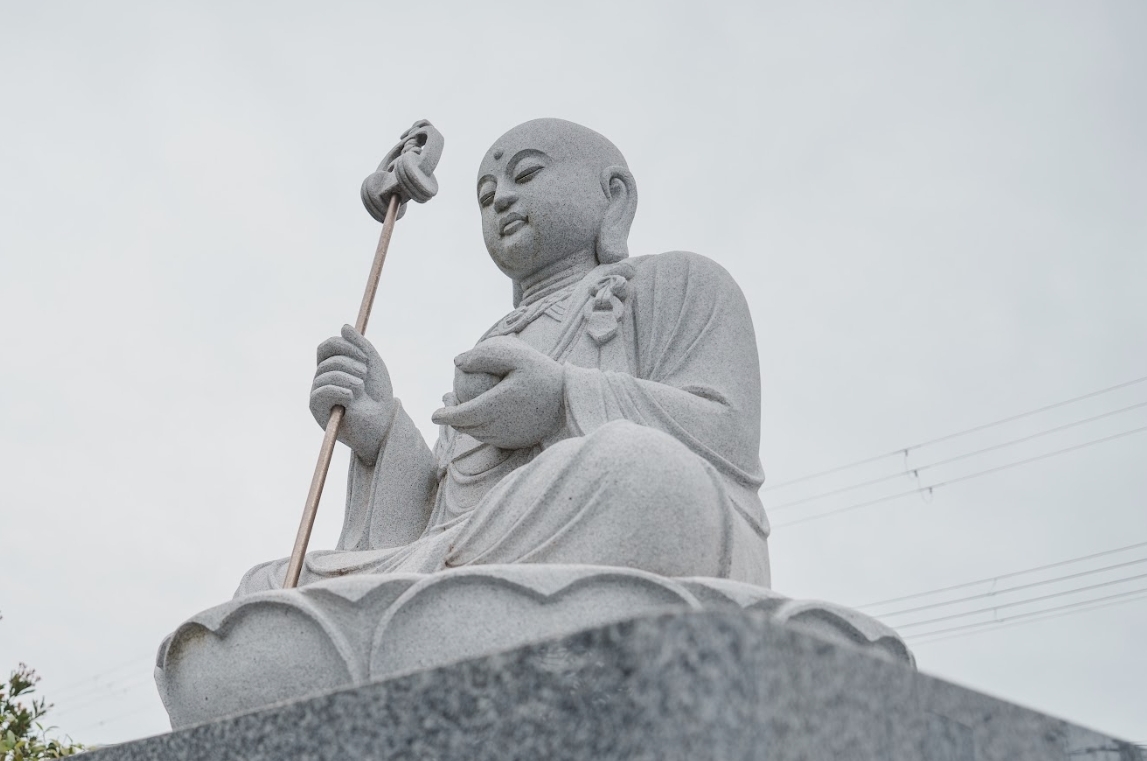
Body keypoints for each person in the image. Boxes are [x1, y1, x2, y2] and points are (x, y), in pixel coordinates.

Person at [239, 117, 770, 595]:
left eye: (527, 174)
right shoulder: (493, 339)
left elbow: (729, 434)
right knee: (265, 590)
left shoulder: (675, 282)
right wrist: (380, 436)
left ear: (614, 197)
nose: (499, 200)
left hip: (616, 515)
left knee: (637, 475)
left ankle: (437, 609)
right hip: (462, 560)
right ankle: (440, 607)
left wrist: (562, 399)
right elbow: (439, 524)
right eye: (485, 194)